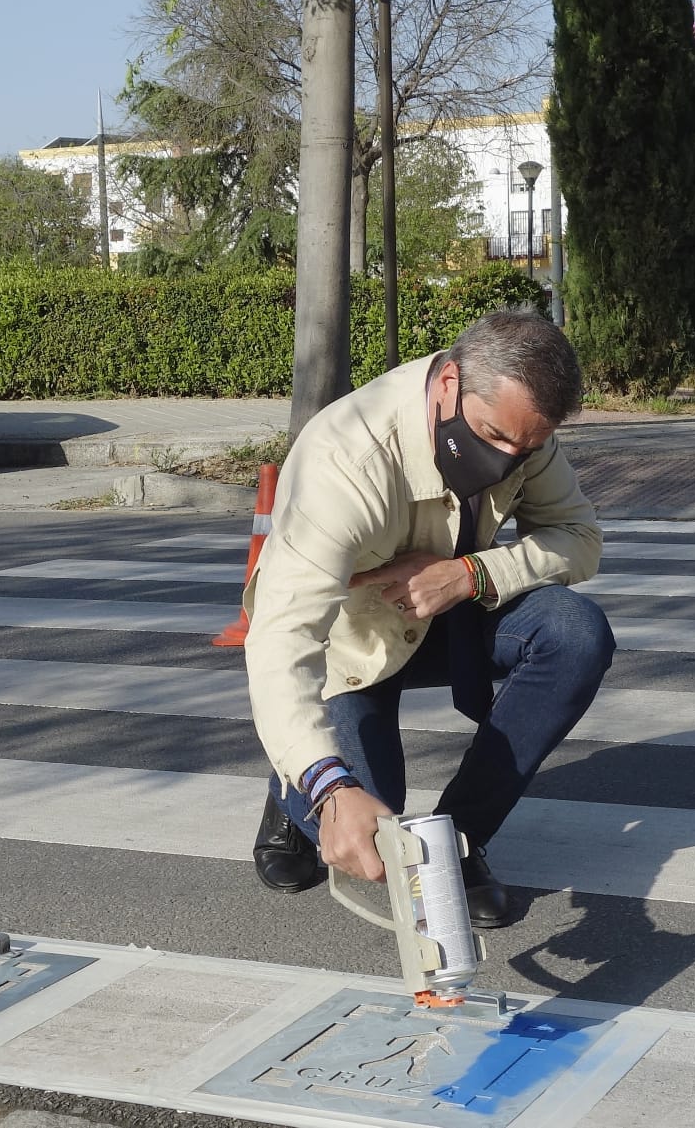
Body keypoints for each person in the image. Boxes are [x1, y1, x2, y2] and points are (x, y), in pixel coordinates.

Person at [245, 309, 615, 926]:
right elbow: (282, 638)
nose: (506, 460)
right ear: (448, 384)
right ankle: (293, 790)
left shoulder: (524, 431)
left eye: (524, 447)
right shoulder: (345, 459)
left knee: (576, 633)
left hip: (449, 616)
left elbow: (581, 538)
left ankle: (458, 845)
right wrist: (329, 784)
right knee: (372, 837)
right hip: (350, 644)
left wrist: (470, 574)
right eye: (494, 437)